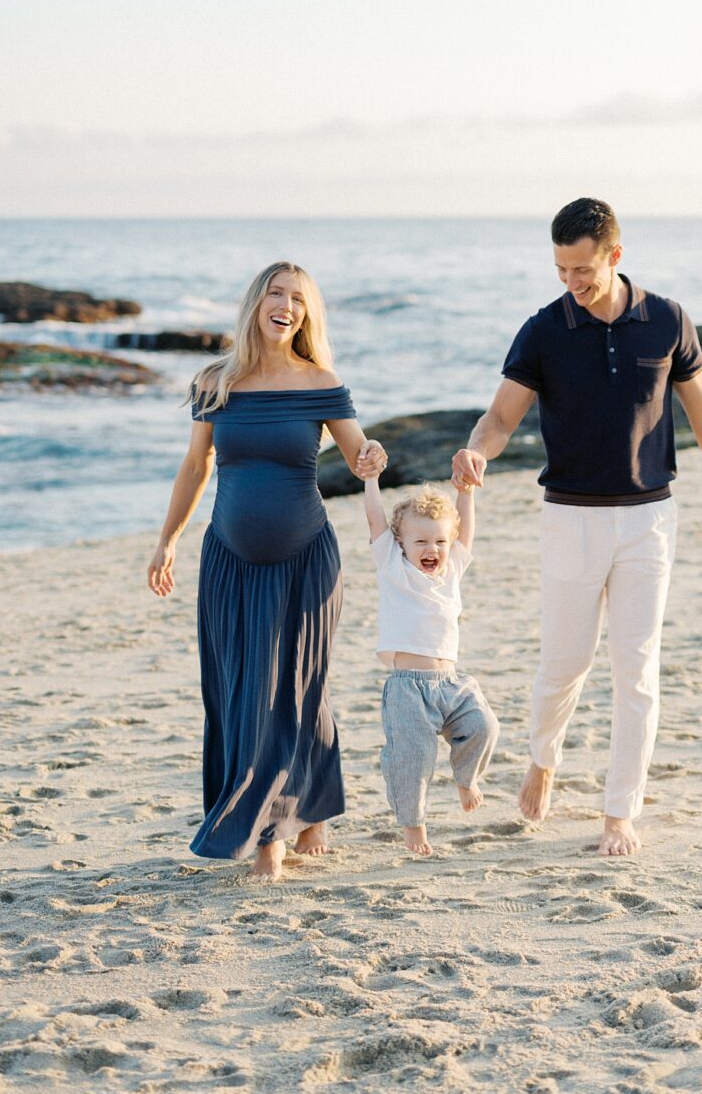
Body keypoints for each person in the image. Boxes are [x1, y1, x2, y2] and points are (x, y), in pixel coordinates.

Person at [451, 197, 702, 858]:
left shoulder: (666, 320)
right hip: (570, 518)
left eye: (582, 269)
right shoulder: (543, 330)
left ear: (615, 255)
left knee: (636, 670)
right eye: (561, 269)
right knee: (564, 664)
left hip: (650, 518)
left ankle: (620, 811)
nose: (571, 282)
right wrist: (478, 449)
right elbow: (500, 418)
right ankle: (544, 757)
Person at [147, 262, 386, 881]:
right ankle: (304, 813)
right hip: (228, 558)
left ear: (308, 315)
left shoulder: (320, 382)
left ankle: (275, 836)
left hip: (306, 558)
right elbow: (196, 467)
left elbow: (358, 451)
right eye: (276, 294)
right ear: (256, 303)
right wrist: (167, 541)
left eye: (299, 299)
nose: (287, 306)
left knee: (299, 688)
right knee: (243, 695)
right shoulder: (214, 382)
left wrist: (372, 457)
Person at [362, 479, 499, 855]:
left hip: (452, 683)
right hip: (408, 687)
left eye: (439, 541)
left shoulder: (452, 569)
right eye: (420, 541)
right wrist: (371, 480)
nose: (431, 549)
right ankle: (414, 828)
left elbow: (465, 531)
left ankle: (466, 778)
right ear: (401, 544)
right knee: (413, 760)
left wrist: (466, 494)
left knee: (483, 726)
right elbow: (375, 520)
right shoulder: (392, 567)